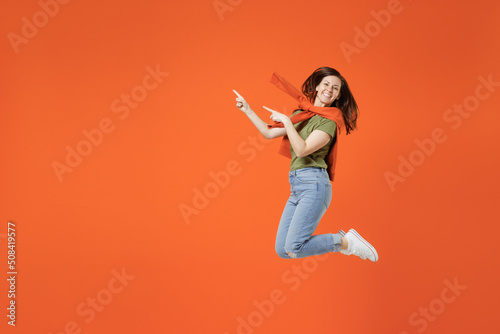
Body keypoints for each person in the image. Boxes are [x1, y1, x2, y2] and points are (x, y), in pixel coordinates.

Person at [233, 67, 378, 262]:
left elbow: (302, 150)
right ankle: (343, 242)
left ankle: (345, 242)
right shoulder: (303, 114)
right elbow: (268, 134)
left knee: (295, 246)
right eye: (326, 84)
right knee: (283, 250)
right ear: (317, 87)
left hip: (314, 184)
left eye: (335, 88)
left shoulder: (330, 121)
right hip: (297, 186)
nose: (330, 89)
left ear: (337, 95)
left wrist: (286, 120)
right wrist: (247, 110)